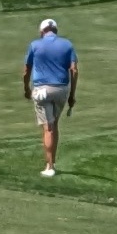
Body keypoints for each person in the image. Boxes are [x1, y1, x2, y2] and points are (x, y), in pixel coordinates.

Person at [24, 16, 79, 176]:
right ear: (55, 31)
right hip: (61, 89)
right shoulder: (67, 44)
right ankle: (52, 163)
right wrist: (72, 94)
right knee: (53, 126)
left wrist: (26, 89)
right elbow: (74, 70)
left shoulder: (35, 45)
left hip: (41, 90)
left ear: (42, 32)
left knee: (48, 128)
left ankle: (50, 167)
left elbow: (26, 70)